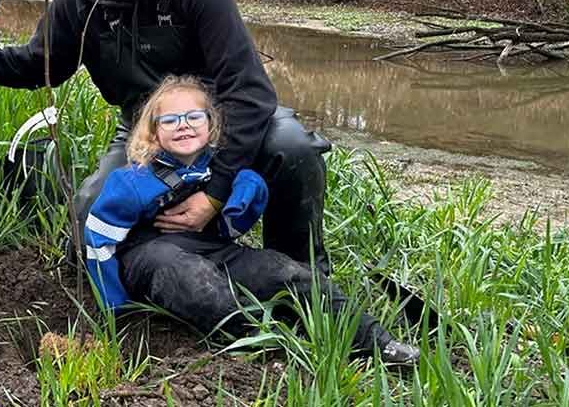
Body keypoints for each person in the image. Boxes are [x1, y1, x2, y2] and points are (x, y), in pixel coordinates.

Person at [0, 0, 331, 273]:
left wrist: (215, 195)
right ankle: (172, 265)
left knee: (292, 146)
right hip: (144, 134)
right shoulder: (77, 2)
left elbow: (251, 93)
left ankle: (304, 274)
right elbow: (36, 66)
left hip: (221, 124)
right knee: (87, 219)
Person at [84, 76, 421, 365]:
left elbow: (230, 232)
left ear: (210, 124)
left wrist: (249, 193)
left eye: (193, 117)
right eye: (170, 120)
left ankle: (375, 341)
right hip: (151, 257)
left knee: (289, 272)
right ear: (153, 134)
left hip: (213, 250)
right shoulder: (131, 182)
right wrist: (116, 306)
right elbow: (99, 240)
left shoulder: (222, 169)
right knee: (192, 280)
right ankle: (265, 336)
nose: (183, 124)